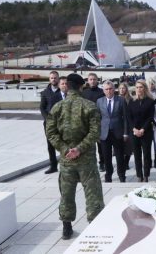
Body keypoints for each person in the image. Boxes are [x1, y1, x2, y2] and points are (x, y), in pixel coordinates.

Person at [45, 73, 104, 240]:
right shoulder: (89, 106)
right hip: (86, 160)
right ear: (81, 86)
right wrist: (79, 149)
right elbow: (95, 133)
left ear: (67, 86)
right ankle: (94, 226)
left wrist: (65, 150)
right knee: (92, 194)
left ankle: (66, 228)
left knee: (66, 194)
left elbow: (50, 132)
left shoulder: (57, 107)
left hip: (66, 161)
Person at [96, 80, 129, 183]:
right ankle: (108, 175)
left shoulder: (121, 100)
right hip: (104, 133)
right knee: (106, 157)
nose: (109, 91)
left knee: (120, 156)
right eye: (106, 89)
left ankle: (122, 176)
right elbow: (97, 118)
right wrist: (97, 134)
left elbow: (125, 118)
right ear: (103, 91)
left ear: (114, 89)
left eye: (110, 89)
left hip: (118, 133)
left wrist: (125, 132)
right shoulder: (99, 101)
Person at [127, 79, 155, 182]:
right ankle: (139, 175)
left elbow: (150, 117)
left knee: (146, 154)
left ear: (145, 88)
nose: (139, 89)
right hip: (134, 132)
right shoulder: (131, 101)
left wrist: (143, 129)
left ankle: (146, 175)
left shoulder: (150, 101)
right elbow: (128, 117)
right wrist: (134, 129)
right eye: (137, 87)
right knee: (137, 155)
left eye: (141, 87)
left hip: (146, 132)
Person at [82, 73, 106, 172]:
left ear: (97, 80)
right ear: (88, 81)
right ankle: (90, 163)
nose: (92, 81)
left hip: (99, 122)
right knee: (88, 145)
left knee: (101, 145)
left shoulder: (102, 92)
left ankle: (102, 163)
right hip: (87, 123)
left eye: (94, 79)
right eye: (90, 79)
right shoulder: (84, 93)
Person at [40, 71, 62, 174]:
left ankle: (66, 166)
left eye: (55, 78)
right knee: (50, 145)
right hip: (49, 123)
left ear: (58, 79)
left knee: (64, 143)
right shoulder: (45, 92)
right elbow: (42, 107)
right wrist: (47, 118)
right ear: (49, 79)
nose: (53, 79)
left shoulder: (62, 91)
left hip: (61, 122)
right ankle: (53, 166)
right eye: (52, 78)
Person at [117, 82, 134, 170]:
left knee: (128, 146)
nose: (121, 90)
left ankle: (126, 163)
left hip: (128, 124)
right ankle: (121, 162)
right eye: (120, 88)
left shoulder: (130, 99)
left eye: (123, 88)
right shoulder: (116, 98)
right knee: (120, 146)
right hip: (119, 124)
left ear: (126, 89)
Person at [147, 77, 156, 169]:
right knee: (148, 143)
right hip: (147, 123)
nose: (151, 85)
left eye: (152, 83)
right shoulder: (145, 95)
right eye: (149, 84)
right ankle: (148, 160)